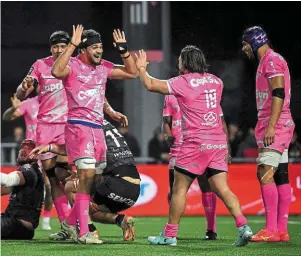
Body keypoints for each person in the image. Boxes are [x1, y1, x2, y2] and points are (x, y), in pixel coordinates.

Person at [135, 46, 253, 246]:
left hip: (195, 143)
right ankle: (244, 227)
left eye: (180, 59)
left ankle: (169, 235)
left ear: (187, 62)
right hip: (217, 143)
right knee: (222, 189)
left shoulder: (182, 82)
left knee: (179, 189)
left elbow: (150, 85)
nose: (178, 63)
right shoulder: (217, 81)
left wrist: (141, 69)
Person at [51, 25, 138, 244]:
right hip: (79, 128)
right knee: (86, 177)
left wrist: (124, 50)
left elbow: (132, 72)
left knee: (94, 182)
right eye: (95, 47)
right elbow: (56, 71)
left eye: (101, 47)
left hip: (98, 130)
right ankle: (84, 233)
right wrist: (72, 44)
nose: (100, 51)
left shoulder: (103, 68)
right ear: (84, 49)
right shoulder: (72, 65)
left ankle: (70, 225)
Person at [30, 119, 140, 242]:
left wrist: (51, 148)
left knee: (71, 186)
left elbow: (76, 151)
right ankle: (121, 220)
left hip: (115, 185)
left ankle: (87, 230)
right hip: (133, 191)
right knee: (88, 211)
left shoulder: (86, 125)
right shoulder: (102, 124)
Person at [15, 30, 73, 232]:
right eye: (55, 46)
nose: (58, 50)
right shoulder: (40, 65)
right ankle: (67, 225)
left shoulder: (76, 64)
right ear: (50, 48)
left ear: (68, 47)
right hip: (46, 129)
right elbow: (21, 92)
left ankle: (81, 221)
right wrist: (24, 87)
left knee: (70, 176)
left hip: (69, 126)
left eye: (62, 46)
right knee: (52, 178)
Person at [242, 26, 295, 242]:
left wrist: (271, 126)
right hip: (278, 121)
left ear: (255, 41)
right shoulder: (269, 61)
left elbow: (278, 93)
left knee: (264, 171)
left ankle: (271, 229)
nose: (243, 48)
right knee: (280, 174)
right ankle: (281, 231)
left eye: (245, 44)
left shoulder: (271, 60)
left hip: (276, 123)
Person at [162, 94, 218, 240]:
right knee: (174, 191)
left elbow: (218, 120)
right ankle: (172, 230)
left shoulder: (203, 91)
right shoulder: (170, 95)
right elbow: (166, 122)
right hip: (178, 149)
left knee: (207, 187)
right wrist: (168, 136)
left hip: (200, 146)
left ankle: (211, 229)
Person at [2, 93, 53, 230]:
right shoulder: (30, 103)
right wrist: (13, 109)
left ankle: (47, 218)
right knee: (24, 185)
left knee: (50, 186)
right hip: (32, 151)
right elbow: (7, 117)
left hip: (50, 149)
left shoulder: (57, 101)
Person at [1, 140, 44, 240]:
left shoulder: (29, 169)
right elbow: (3, 190)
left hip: (19, 225)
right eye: (22, 148)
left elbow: (8, 180)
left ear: (36, 154)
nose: (23, 151)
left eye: (28, 148)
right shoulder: (30, 171)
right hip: (17, 224)